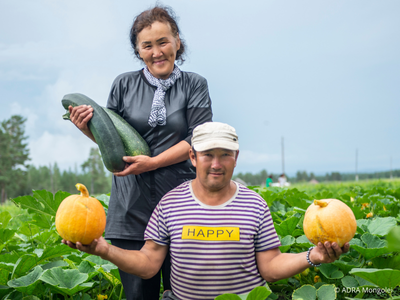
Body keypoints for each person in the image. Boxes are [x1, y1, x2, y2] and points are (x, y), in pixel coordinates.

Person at [63, 122, 349, 300]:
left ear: (236, 157)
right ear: (192, 157)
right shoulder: (170, 203)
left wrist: (314, 256)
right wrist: (104, 250)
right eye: (208, 155)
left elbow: (270, 267)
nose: (216, 163)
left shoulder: (254, 204)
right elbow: (149, 264)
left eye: (225, 154)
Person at [67, 5, 213, 300]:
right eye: (147, 45)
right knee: (137, 296)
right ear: (138, 50)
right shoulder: (123, 84)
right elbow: (111, 141)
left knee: (185, 294)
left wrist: (154, 162)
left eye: (163, 42)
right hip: (130, 208)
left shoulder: (194, 84)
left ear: (177, 42)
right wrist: (86, 127)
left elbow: (197, 139)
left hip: (181, 206)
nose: (156, 52)